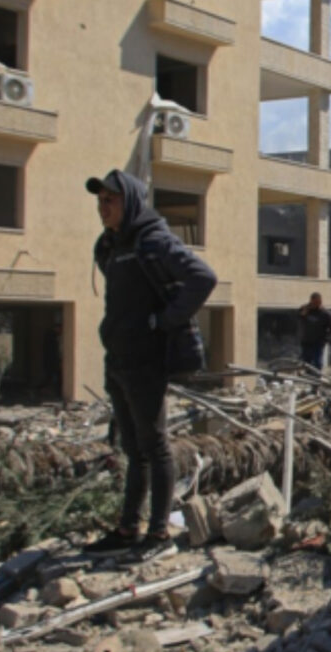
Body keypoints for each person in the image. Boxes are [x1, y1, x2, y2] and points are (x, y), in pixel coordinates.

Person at [85, 169, 217, 563]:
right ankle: (129, 527)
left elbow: (202, 277)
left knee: (155, 445)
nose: (102, 207)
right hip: (119, 358)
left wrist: (163, 321)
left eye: (110, 200)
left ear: (131, 201)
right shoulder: (111, 245)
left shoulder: (152, 240)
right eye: (99, 201)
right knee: (132, 447)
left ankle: (158, 531)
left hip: (146, 360)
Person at [298, 292, 331, 370]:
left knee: (317, 362)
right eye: (314, 302)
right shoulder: (305, 309)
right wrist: (304, 313)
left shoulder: (325, 313)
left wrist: (327, 339)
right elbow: (298, 318)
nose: (316, 304)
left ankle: (317, 378)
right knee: (306, 362)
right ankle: (307, 377)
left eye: (318, 302)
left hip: (318, 342)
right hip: (306, 341)